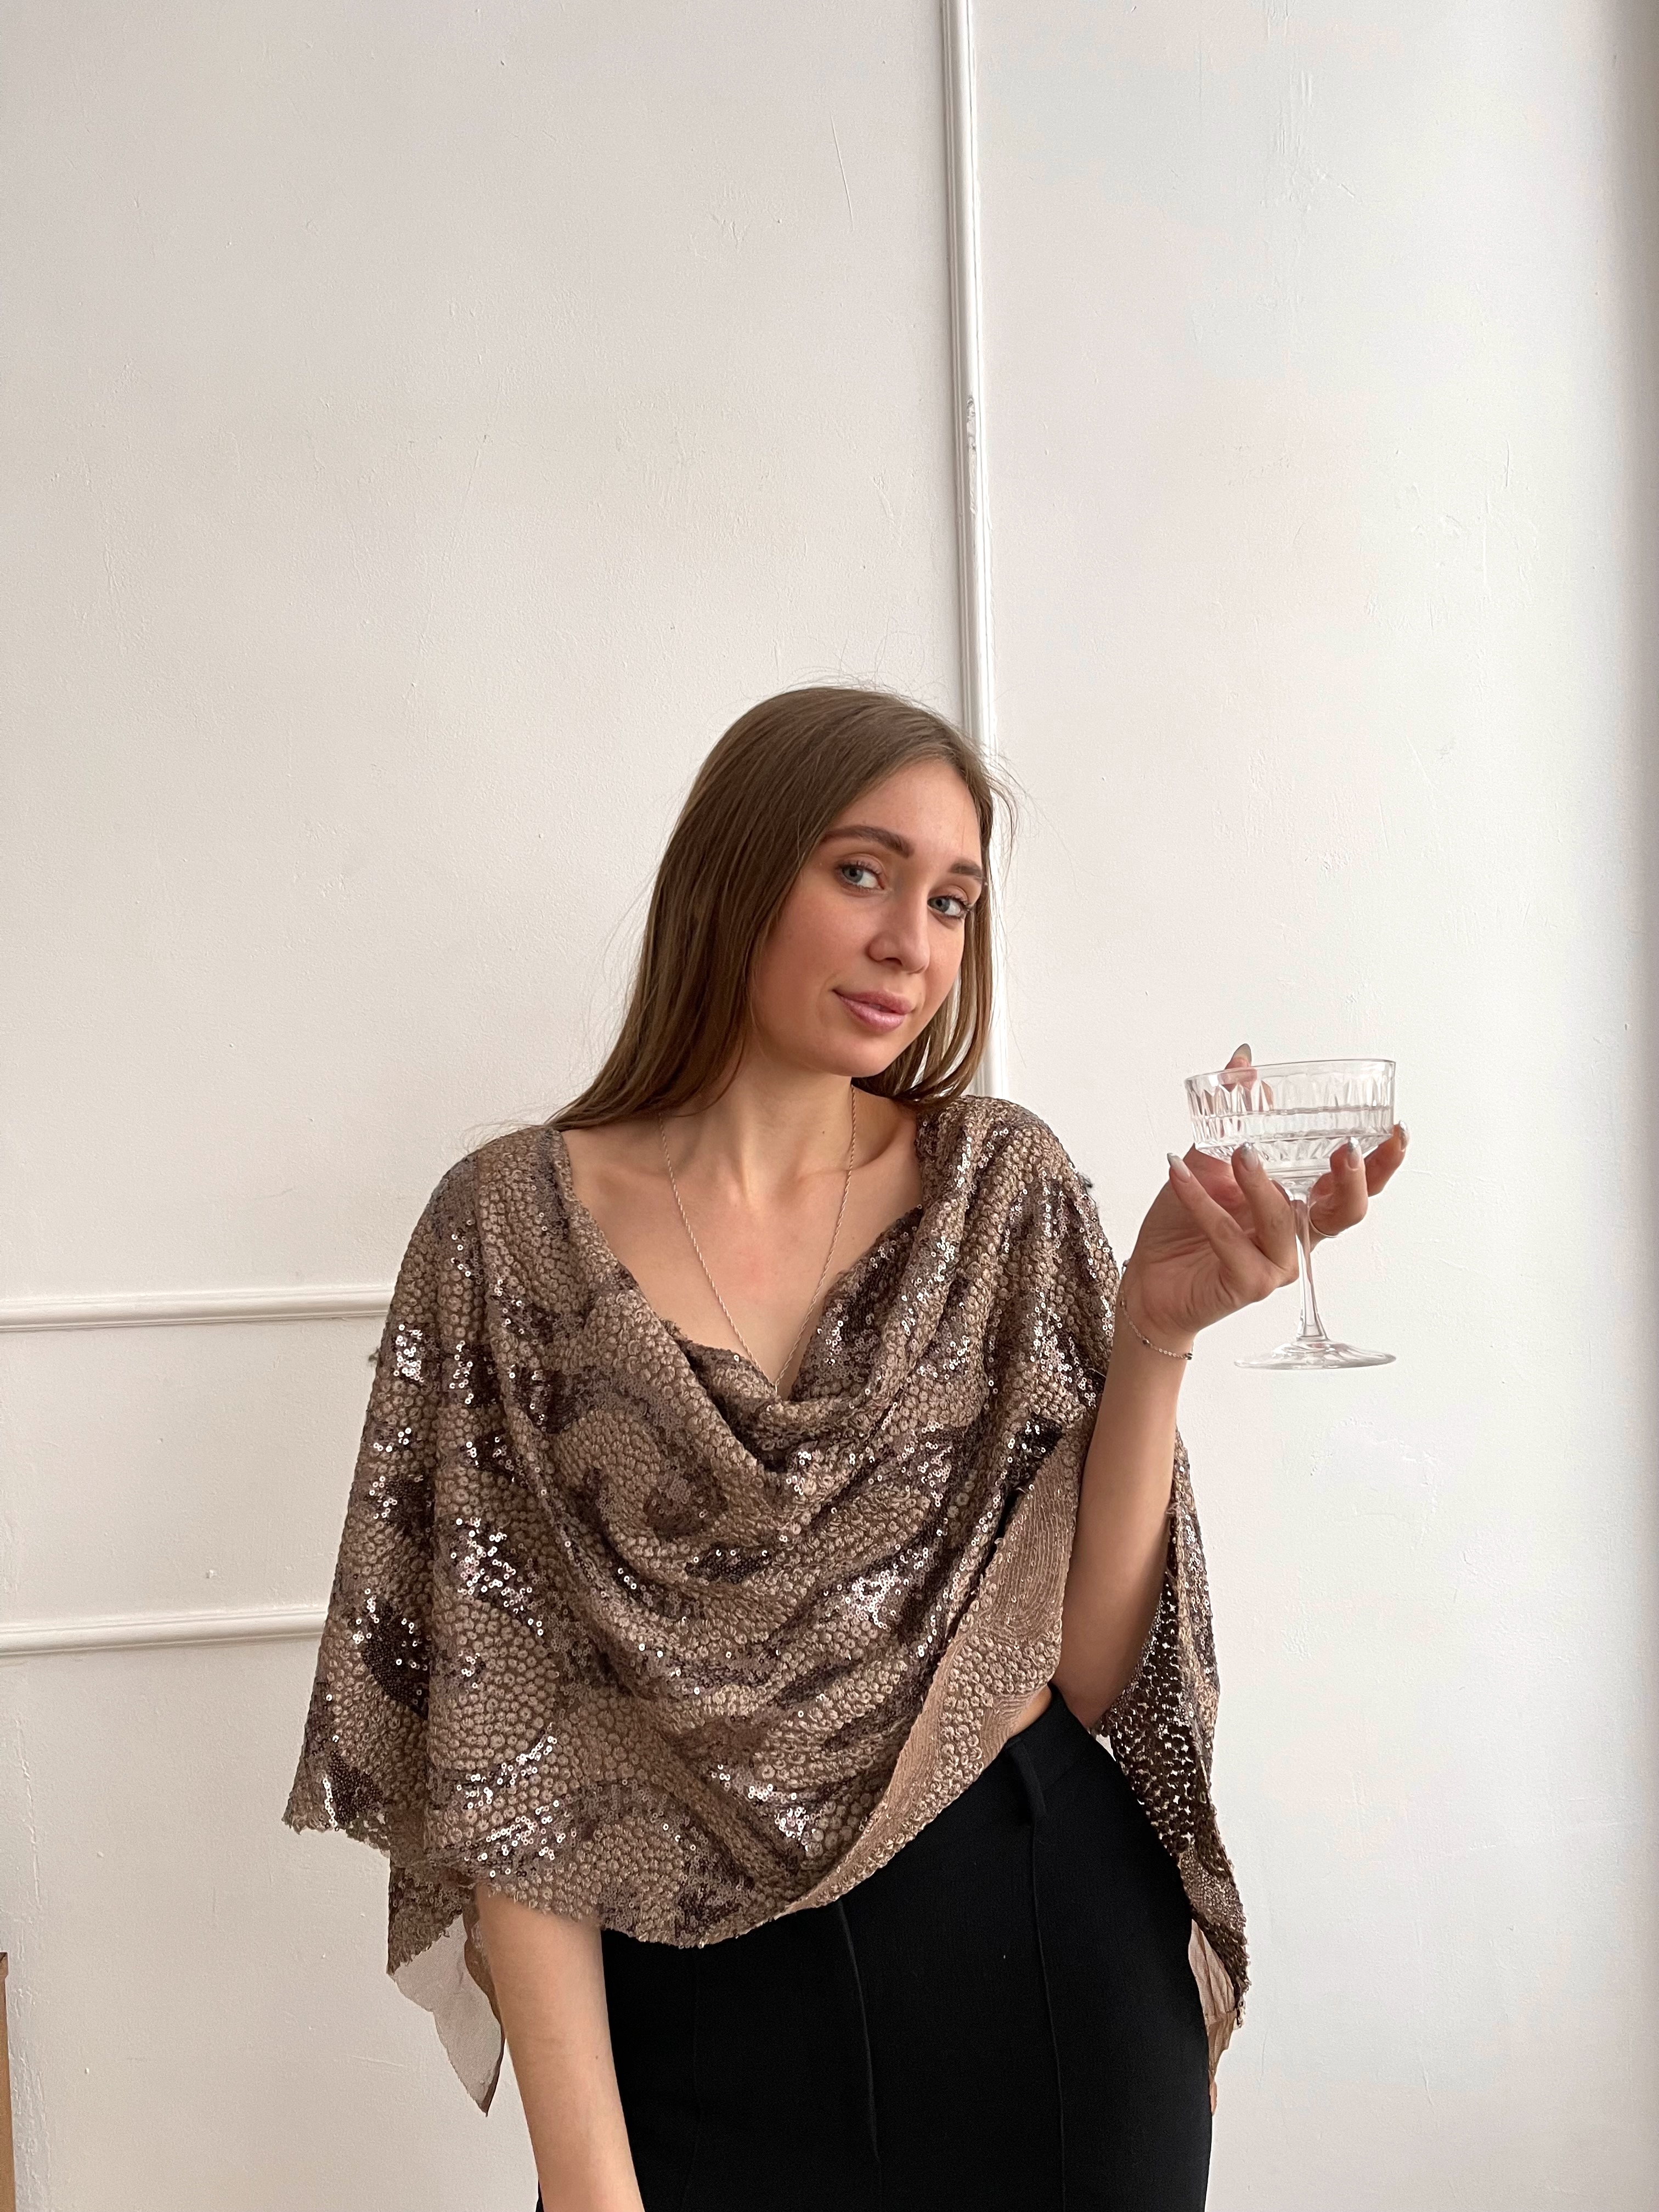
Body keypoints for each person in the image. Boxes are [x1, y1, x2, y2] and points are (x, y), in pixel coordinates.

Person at [286, 686, 1405, 2211]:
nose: (911, 946)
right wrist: (588, 2177)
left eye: (951, 901)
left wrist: (1154, 1335)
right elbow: (507, 1742)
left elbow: (1092, 1675)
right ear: (735, 876)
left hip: (1040, 1958)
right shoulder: (508, 1232)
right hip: (698, 2010)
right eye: (863, 872)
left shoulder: (999, 1192)